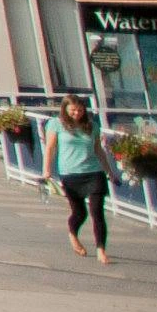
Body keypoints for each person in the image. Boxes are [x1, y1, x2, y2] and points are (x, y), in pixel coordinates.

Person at [39, 93, 114, 266]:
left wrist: (109, 171)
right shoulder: (55, 124)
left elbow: (98, 150)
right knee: (80, 213)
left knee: (97, 212)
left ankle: (101, 250)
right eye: (73, 110)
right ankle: (73, 234)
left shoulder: (91, 125)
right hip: (70, 174)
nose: (77, 113)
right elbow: (50, 148)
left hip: (94, 172)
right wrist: (46, 171)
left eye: (80, 110)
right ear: (65, 109)